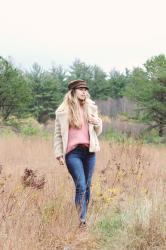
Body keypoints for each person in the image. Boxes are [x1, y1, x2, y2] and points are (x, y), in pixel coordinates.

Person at [54, 79, 102, 228]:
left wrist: (98, 122)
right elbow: (57, 134)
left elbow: (97, 132)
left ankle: (84, 215)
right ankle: (81, 220)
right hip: (73, 153)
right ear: (73, 91)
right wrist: (59, 153)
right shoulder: (63, 111)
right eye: (81, 89)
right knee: (80, 184)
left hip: (89, 152)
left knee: (87, 185)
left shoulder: (91, 107)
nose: (84, 92)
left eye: (85, 89)